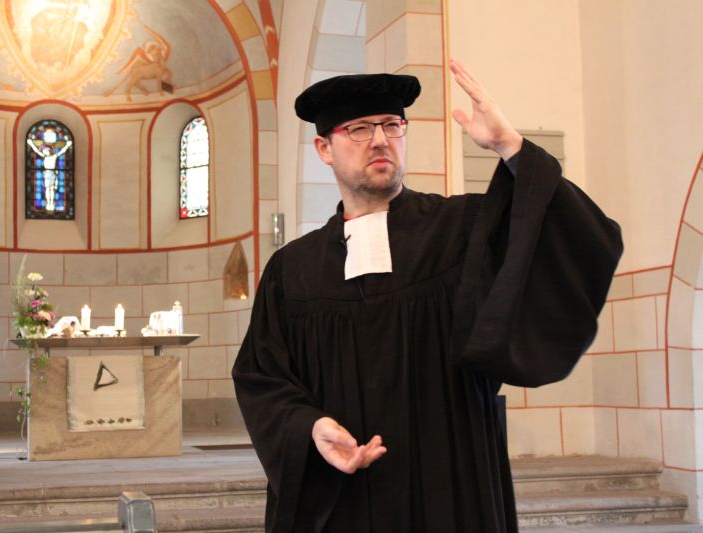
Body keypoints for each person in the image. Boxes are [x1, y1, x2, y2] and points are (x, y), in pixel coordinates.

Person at [232, 59, 623, 532]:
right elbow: (262, 377)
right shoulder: (292, 271)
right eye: (357, 129)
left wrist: (511, 147)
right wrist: (310, 428)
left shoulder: (463, 231)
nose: (379, 140)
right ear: (324, 148)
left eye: (392, 125)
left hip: (451, 486)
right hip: (343, 499)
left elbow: (582, 241)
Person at [27, 137, 72, 212]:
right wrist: (31, 144)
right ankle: (48, 203)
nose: (46, 151)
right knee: (48, 189)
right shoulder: (44, 157)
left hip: (53, 174)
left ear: (50, 151)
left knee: (52, 190)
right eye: (45, 150)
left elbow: (61, 152)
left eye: (47, 150)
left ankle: (52, 203)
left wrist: (67, 145)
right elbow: (37, 151)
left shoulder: (54, 157)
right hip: (47, 174)